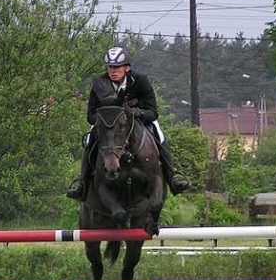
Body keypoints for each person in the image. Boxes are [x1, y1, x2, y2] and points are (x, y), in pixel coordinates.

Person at [66, 46, 189, 201]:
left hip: (138, 121)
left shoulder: (140, 81)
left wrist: (137, 113)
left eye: (116, 67)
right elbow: (90, 115)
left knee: (160, 135)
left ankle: (172, 177)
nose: (112, 71)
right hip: (108, 125)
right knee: (90, 139)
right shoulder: (100, 84)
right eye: (110, 67)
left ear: (127, 68)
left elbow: (153, 112)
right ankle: (82, 184)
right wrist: (104, 120)